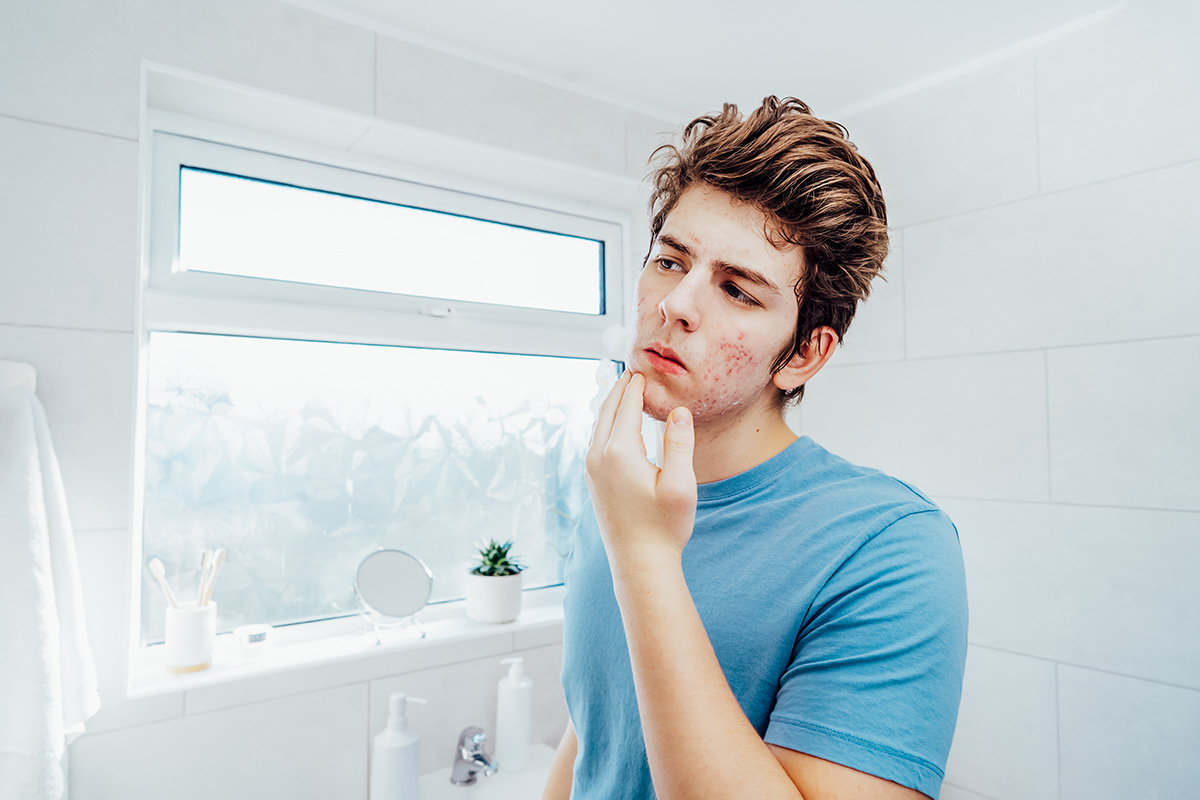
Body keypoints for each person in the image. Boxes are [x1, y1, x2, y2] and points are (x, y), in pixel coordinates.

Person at [542, 96, 969, 800]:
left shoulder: (891, 547)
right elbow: (596, 728)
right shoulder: (620, 496)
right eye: (669, 260)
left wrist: (646, 559)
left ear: (803, 354)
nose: (675, 302)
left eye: (738, 290)